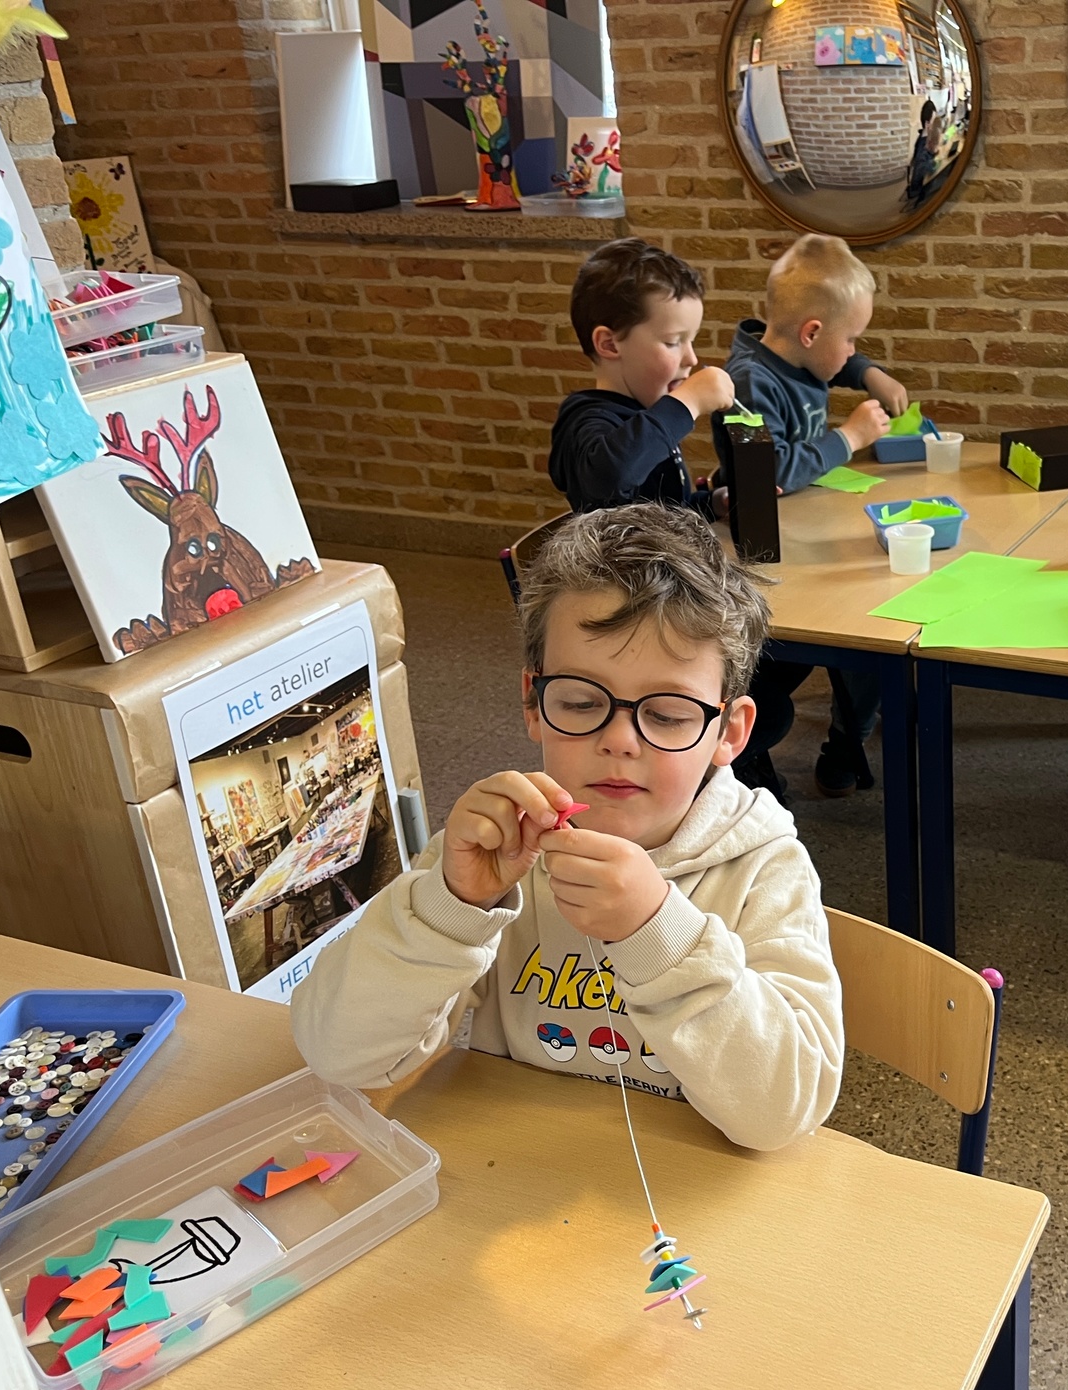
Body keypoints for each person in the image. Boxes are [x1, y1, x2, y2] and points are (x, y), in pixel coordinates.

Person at [291, 505, 843, 1152]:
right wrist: (450, 907)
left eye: (668, 714)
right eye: (581, 702)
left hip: (690, 1192)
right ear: (534, 702)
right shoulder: (493, 856)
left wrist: (657, 931)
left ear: (730, 731)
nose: (619, 740)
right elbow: (339, 1055)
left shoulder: (764, 869)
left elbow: (782, 1114)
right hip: (514, 1171)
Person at [716, 233, 911, 798]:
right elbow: (774, 470)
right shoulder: (750, 384)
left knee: (875, 625)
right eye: (852, 340)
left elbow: (829, 365)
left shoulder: (799, 352)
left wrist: (869, 373)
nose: (853, 352)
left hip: (810, 529)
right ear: (811, 332)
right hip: (767, 554)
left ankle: (848, 740)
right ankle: (760, 755)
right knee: (859, 635)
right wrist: (849, 437)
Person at [548, 239, 735, 514]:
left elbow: (664, 512)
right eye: (673, 342)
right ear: (610, 344)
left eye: (691, 341)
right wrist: (687, 403)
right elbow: (607, 481)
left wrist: (715, 504)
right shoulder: (586, 421)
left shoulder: (647, 418)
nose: (691, 359)